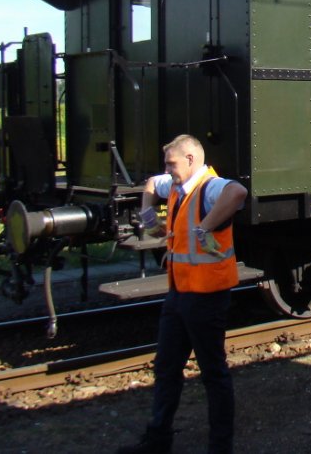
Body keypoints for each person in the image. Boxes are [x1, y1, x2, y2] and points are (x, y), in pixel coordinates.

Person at [118, 134, 247, 454]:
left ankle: (220, 448)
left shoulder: (209, 186)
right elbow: (150, 185)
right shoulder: (176, 184)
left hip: (206, 296)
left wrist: (205, 226)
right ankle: (157, 441)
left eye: (172, 163)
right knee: (166, 366)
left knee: (213, 374)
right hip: (178, 295)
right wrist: (150, 220)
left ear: (191, 159)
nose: (168, 169)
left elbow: (238, 192)